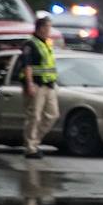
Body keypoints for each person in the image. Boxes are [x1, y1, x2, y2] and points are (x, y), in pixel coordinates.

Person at [21, 14, 60, 159]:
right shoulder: (30, 44)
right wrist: (29, 84)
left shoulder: (46, 43)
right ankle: (30, 148)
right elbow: (27, 66)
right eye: (48, 27)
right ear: (41, 28)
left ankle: (34, 141)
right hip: (36, 85)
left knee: (53, 115)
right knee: (34, 116)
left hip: (49, 85)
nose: (49, 30)